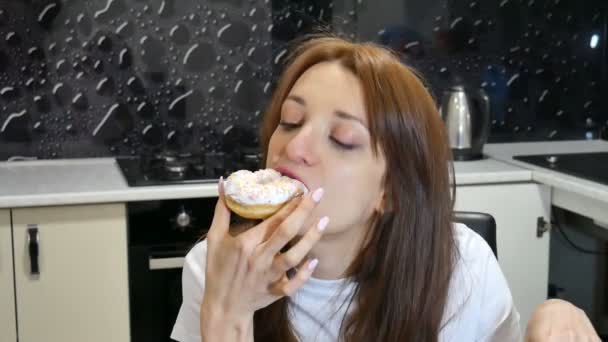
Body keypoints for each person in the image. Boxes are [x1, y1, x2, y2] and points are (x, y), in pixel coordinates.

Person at [170, 35, 601, 342]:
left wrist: (555, 315)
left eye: (342, 139)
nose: (294, 147)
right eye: (290, 121)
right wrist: (227, 317)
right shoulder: (217, 263)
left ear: (390, 190)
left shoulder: (462, 269)